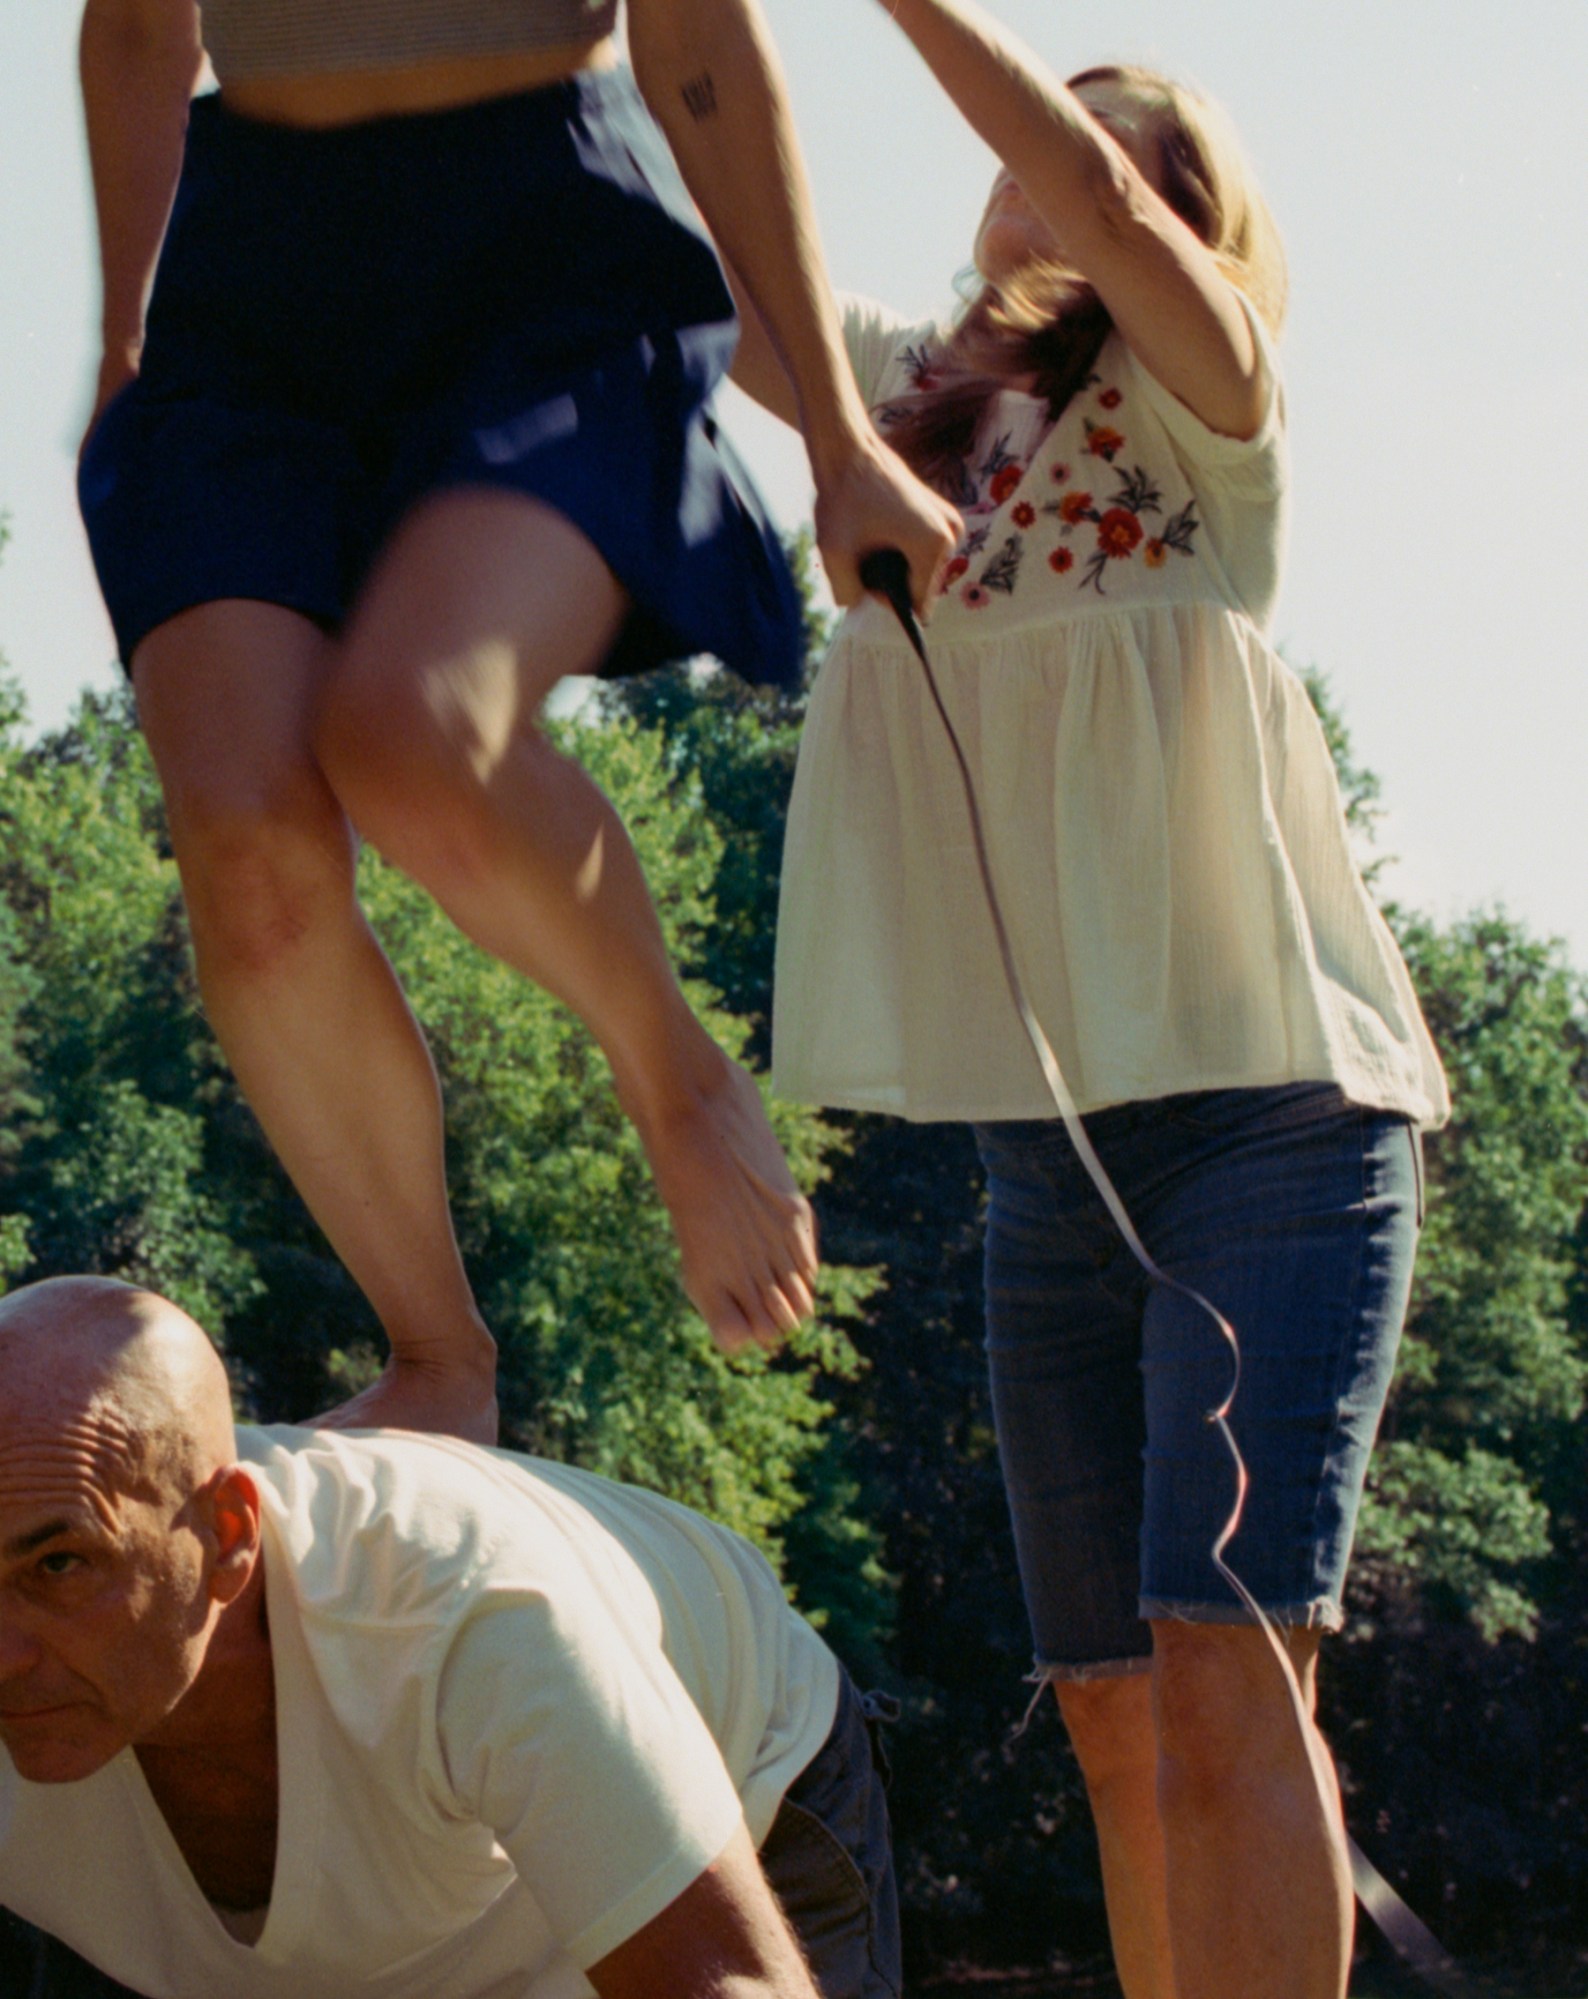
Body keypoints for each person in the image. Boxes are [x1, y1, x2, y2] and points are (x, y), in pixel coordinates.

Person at [729, 5, 1451, 1996]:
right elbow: (691, 254)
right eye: (1036, 150)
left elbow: (1115, 218)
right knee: (1108, 1708)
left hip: (1271, 1123)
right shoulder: (892, 399)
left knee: (1228, 1666)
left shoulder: (1212, 413)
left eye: (1109, 160)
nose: (1063, 177)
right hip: (1043, 1158)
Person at [74, 0, 960, 1442]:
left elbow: (704, 52)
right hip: (251, 284)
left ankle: (675, 1076)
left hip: (541, 255)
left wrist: (846, 443)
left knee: (417, 734)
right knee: (247, 845)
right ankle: (436, 1351)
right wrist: (122, 348)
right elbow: (133, 29)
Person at [0, 1275, 902, 1999]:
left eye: (60, 1566)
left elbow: (734, 1981)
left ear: (228, 1533)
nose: (5, 1657)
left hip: (739, 1789)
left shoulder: (475, 1619)